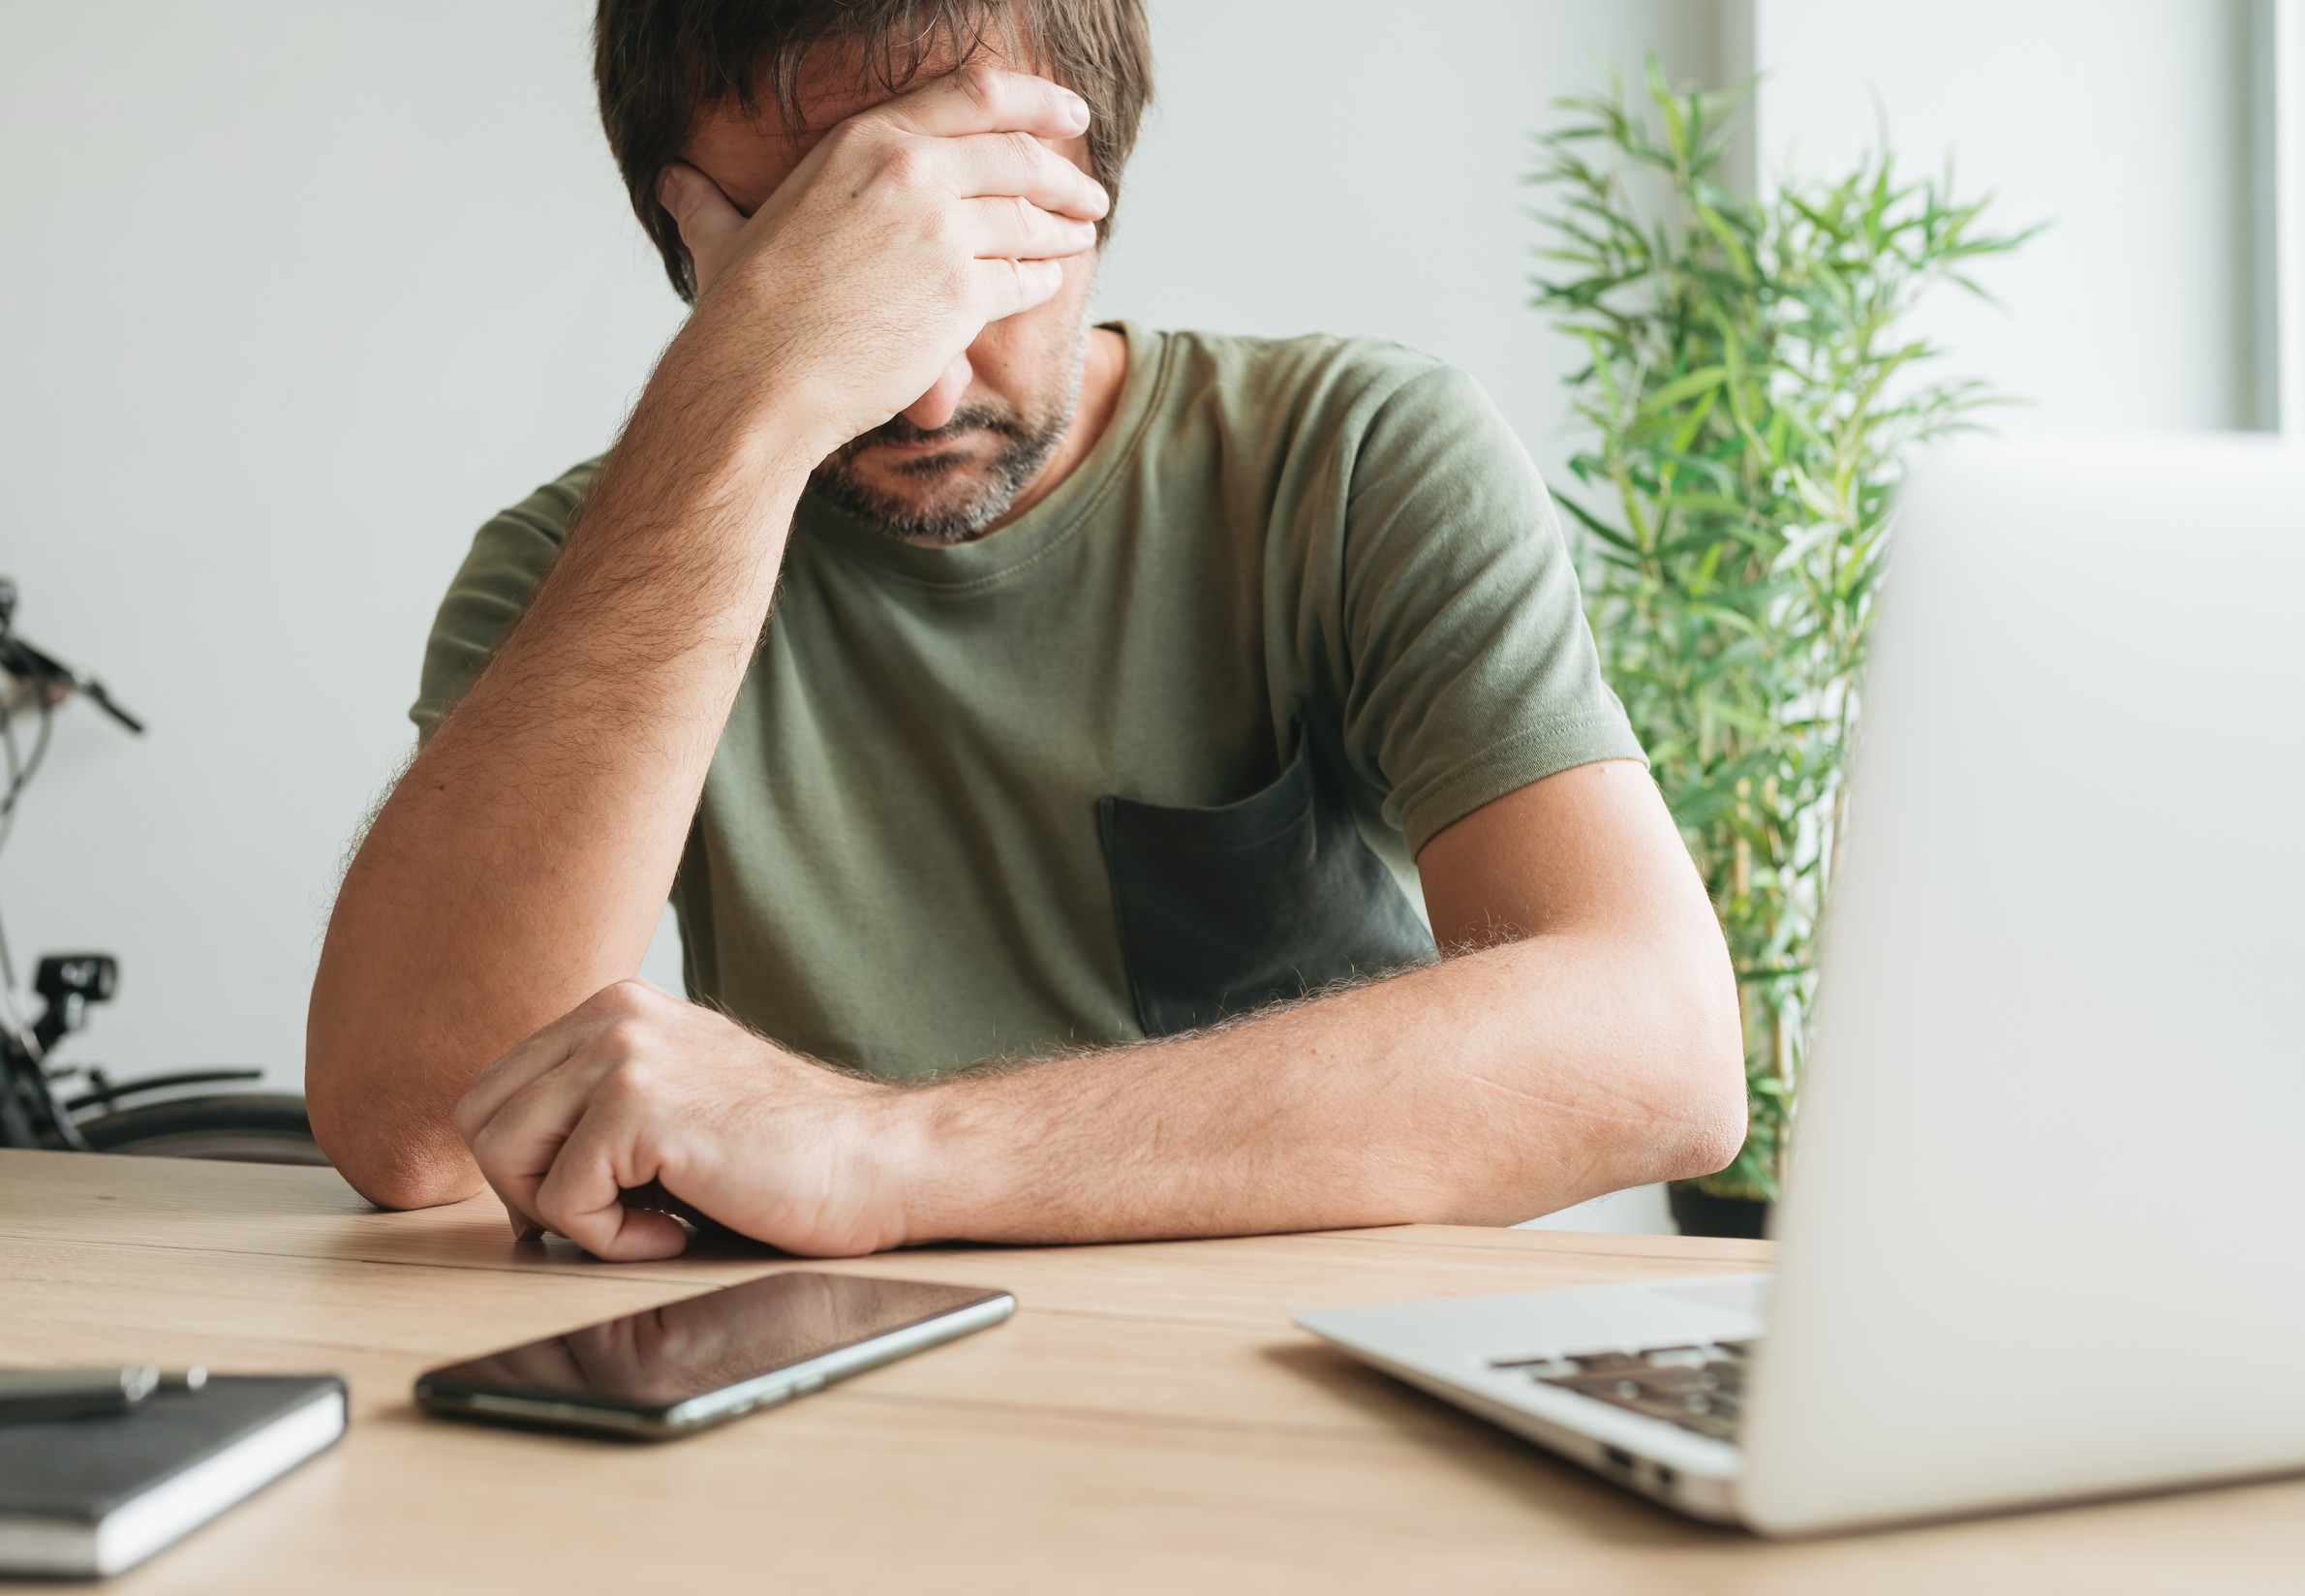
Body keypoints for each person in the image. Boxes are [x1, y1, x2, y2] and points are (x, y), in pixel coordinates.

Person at [305, 0, 1745, 1259]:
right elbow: (412, 1129)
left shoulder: (1352, 458)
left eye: (987, 245)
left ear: (1098, 179)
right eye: (812, 264)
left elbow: (1658, 1048)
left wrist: (883, 1151)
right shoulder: (581, 575)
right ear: (686, 248)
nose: (925, 391)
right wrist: (739, 408)